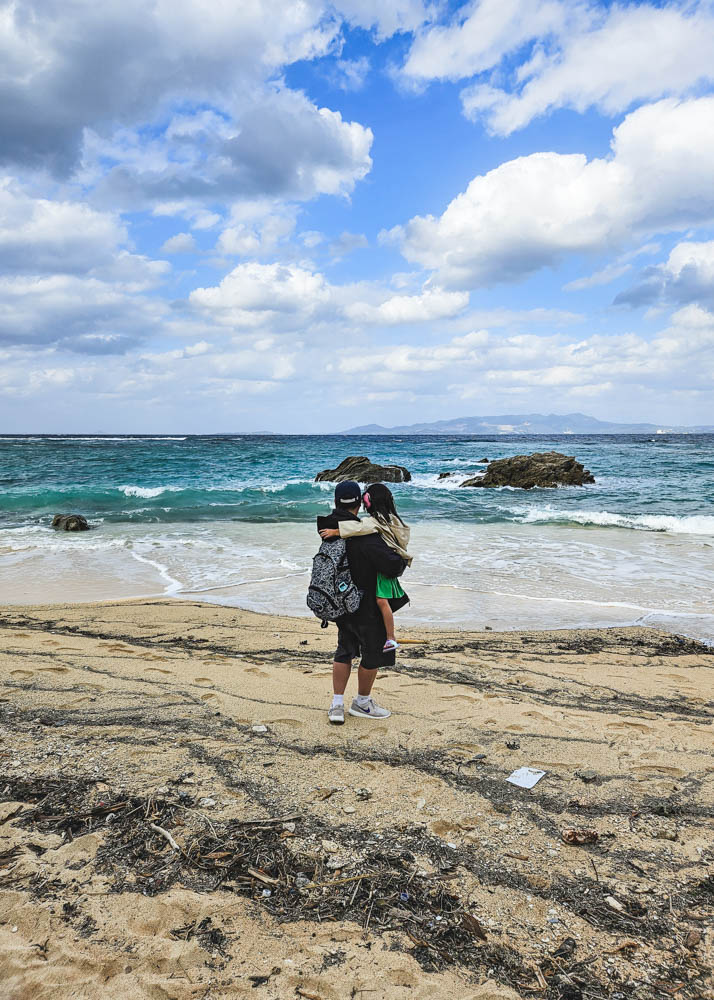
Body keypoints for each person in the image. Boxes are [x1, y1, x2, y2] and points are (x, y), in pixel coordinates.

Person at [316, 480, 408, 725]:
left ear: (336, 502)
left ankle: (337, 705)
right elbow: (392, 565)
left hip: (340, 604)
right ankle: (362, 703)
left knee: (344, 651)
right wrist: (400, 560)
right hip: (366, 607)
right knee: (372, 655)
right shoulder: (365, 533)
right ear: (360, 503)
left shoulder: (327, 530)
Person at [318, 482, 411, 652]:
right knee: (381, 603)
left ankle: (391, 637)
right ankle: (391, 637)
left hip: (343, 599)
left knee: (344, 651)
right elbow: (394, 560)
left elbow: (360, 527)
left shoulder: (373, 523)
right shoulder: (392, 520)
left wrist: (336, 532)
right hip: (370, 597)